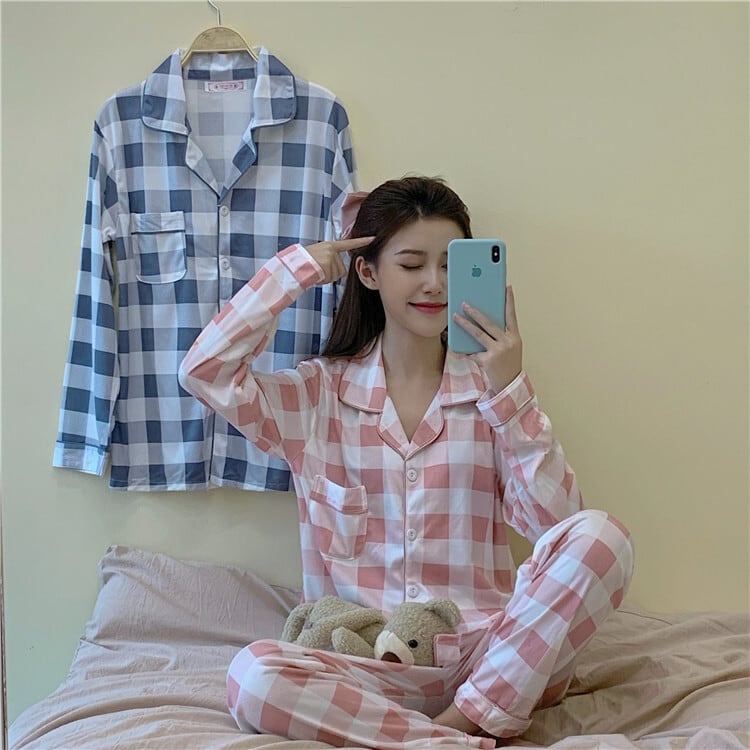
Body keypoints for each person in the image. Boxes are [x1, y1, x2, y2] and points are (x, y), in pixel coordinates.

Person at [179, 176, 634, 748]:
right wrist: (299, 270)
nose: (434, 283)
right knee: (254, 676)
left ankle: (459, 723)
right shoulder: (317, 397)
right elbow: (205, 371)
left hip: (490, 662)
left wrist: (511, 391)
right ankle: (446, 739)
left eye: (449, 265)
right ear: (368, 273)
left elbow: (558, 526)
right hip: (367, 666)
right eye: (412, 264)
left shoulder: (493, 395)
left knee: (604, 536)